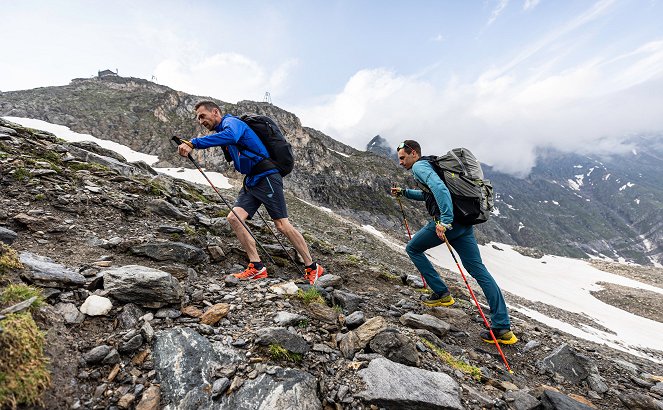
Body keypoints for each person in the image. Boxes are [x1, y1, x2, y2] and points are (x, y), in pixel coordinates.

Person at [178, 100, 325, 284]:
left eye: (202, 116)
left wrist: (193, 143)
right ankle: (256, 267)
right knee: (234, 218)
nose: (200, 121)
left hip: (267, 176)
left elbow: (231, 136)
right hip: (252, 180)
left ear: (215, 112)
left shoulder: (232, 123)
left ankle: (312, 267)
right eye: (198, 118)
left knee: (281, 224)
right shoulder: (222, 131)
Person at [391, 140, 517, 344]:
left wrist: (445, 221)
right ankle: (503, 328)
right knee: (479, 270)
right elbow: (429, 194)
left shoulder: (419, 166)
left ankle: (441, 293)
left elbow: (440, 190)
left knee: (413, 248)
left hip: (449, 223)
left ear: (414, 153)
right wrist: (405, 193)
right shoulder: (432, 164)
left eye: (403, 158)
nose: (401, 162)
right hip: (465, 223)